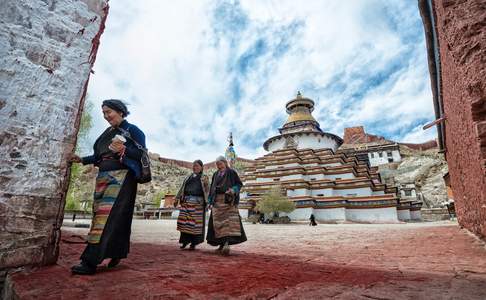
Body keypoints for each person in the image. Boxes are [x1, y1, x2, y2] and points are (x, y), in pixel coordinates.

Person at [69, 99, 146, 275]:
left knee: (106, 219)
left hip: (122, 178)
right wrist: (81, 159)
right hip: (103, 178)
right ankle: (117, 251)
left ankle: (89, 262)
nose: (105, 116)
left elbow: (141, 154)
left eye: (108, 112)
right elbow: (98, 157)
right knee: (107, 217)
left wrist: (124, 150)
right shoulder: (106, 133)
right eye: (103, 113)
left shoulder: (133, 131)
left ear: (120, 111)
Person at [206, 156, 247, 255]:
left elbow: (239, 184)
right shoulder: (215, 174)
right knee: (218, 224)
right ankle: (221, 245)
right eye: (217, 164)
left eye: (220, 163)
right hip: (217, 202)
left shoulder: (232, 172)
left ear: (225, 163)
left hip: (228, 201)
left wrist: (233, 190)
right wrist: (210, 201)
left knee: (228, 225)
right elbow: (212, 188)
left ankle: (226, 245)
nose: (219, 166)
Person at [175, 160, 210, 250]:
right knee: (184, 223)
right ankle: (185, 241)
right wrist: (177, 198)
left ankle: (193, 243)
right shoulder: (188, 177)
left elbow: (207, 190)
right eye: (194, 166)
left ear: (201, 167)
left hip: (198, 204)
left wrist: (208, 202)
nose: (195, 167)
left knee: (194, 225)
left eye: (197, 166)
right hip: (186, 202)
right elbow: (182, 188)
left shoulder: (204, 178)